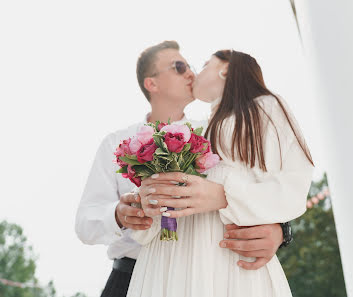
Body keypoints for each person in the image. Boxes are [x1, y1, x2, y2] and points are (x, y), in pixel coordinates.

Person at [75, 41, 292, 297]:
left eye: (190, 65)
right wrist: (119, 215)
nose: (191, 72)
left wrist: (282, 230)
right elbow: (84, 223)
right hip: (129, 276)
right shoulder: (115, 143)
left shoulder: (214, 135)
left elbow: (254, 183)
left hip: (195, 277)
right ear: (151, 84)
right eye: (179, 67)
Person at [126, 49, 314, 296]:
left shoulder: (264, 107)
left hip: (224, 258)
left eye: (204, 65)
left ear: (225, 69)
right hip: (171, 259)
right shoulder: (189, 130)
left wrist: (225, 196)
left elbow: (291, 187)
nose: (194, 74)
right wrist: (147, 204)